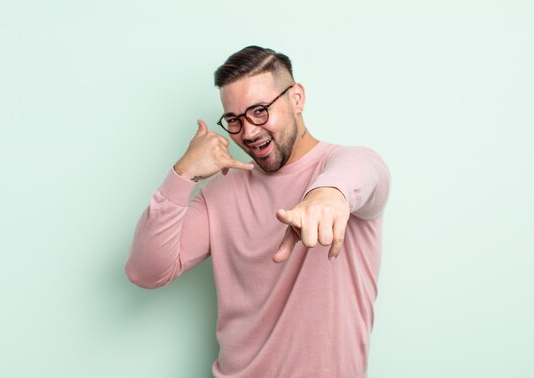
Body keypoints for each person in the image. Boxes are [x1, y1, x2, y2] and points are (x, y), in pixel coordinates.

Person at [125, 45, 391, 378]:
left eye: (260, 111)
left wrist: (327, 195)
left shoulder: (346, 166)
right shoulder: (220, 193)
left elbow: (363, 171)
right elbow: (145, 271)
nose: (248, 132)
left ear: (297, 98)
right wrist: (182, 174)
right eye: (234, 120)